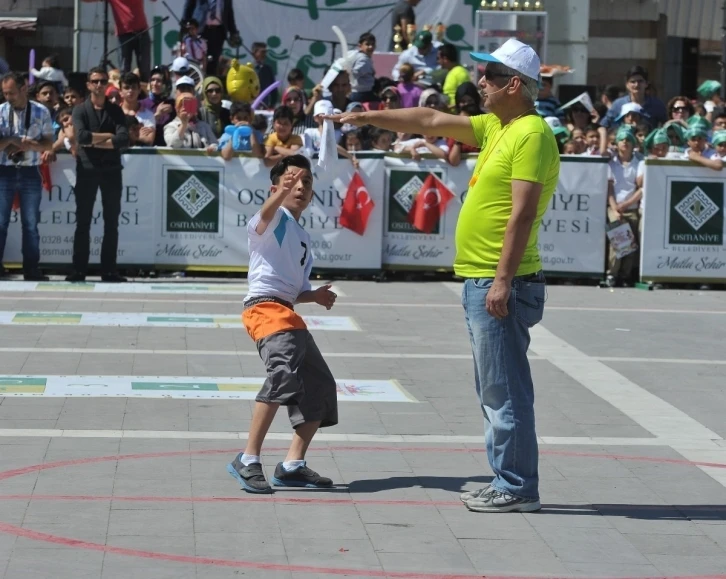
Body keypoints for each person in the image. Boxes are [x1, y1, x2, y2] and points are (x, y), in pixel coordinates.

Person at [328, 37, 558, 513]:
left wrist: (500, 281)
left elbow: (520, 214)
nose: (481, 82)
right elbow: (429, 120)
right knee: (494, 387)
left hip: (502, 283)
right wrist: (365, 117)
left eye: (490, 76)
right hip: (486, 279)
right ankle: (508, 480)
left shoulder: (530, 133)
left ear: (514, 83)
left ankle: (516, 486)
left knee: (504, 389)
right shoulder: (500, 125)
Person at [226, 154, 339, 494]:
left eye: (307, 181)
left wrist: (314, 296)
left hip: (287, 312)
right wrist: (278, 194)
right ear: (275, 188)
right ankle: (247, 459)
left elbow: (293, 289)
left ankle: (292, 465)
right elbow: (263, 215)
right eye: (293, 181)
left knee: (320, 387)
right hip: (264, 310)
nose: (301, 186)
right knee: (282, 376)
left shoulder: (302, 235)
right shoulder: (272, 220)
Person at [67, 67, 130, 283]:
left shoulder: (116, 111)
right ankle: (79, 270)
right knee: (83, 221)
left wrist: (96, 142)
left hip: (112, 172)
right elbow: (82, 138)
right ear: (88, 84)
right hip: (87, 170)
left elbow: (123, 140)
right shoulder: (80, 110)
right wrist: (108, 138)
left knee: (111, 222)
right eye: (95, 81)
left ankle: (109, 271)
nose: (99, 85)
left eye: (103, 81)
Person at [0, 71, 54, 281]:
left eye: (11, 93)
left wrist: (30, 144)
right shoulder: (1, 111)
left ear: (23, 89)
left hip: (31, 170)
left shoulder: (41, 111)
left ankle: (31, 269)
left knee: (30, 223)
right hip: (4, 170)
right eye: (5, 93)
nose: (8, 97)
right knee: (1, 222)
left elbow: (49, 144)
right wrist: (13, 139)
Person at [605, 127, 642, 288]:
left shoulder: (639, 163)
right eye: (622, 139)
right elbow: (609, 188)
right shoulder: (611, 164)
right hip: (614, 207)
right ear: (617, 143)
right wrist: (615, 208)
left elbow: (640, 188)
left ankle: (625, 275)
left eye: (628, 139)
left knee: (631, 244)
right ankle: (612, 274)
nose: (625, 142)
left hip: (631, 207)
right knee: (618, 239)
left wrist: (625, 205)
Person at [599, 65, 667, 153]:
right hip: (621, 151)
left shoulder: (657, 104)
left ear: (646, 84)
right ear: (627, 85)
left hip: (647, 151)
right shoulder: (618, 104)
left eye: (640, 81)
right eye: (632, 81)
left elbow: (665, 128)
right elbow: (603, 126)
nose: (636, 85)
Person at [182, 0, 241, 76]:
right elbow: (188, 6)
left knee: (213, 63)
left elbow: (229, 13)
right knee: (196, 61)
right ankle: (195, 84)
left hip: (218, 32)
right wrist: (184, 24)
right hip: (200, 31)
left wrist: (233, 31)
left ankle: (209, 84)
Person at [105, 0, 154, 81]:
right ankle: (124, 90)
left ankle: (145, 92)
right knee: (124, 69)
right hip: (124, 34)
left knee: (145, 69)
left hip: (142, 32)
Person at [119, 72, 155, 145]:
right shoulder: (114, 113)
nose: (130, 91)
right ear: (120, 92)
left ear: (139, 90)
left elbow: (149, 141)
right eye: (126, 87)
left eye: (134, 87)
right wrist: (137, 135)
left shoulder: (148, 115)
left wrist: (124, 135)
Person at [438, 44, 471, 108]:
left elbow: (466, 96)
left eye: (438, 58)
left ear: (445, 59)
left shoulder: (460, 72)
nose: (438, 61)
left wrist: (451, 106)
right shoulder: (450, 72)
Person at [349, 33, 377, 104]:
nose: (371, 47)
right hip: (362, 94)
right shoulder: (364, 59)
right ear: (360, 46)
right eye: (367, 44)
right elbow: (355, 73)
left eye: (373, 44)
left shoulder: (356, 55)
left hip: (357, 93)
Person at [251, 42, 278, 108]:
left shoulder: (268, 69)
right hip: (250, 106)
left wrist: (272, 105)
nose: (265, 55)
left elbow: (273, 89)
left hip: (264, 107)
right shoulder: (248, 69)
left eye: (265, 52)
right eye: (262, 52)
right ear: (254, 53)